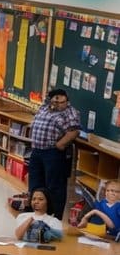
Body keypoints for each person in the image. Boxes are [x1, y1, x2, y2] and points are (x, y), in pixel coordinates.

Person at [28, 88, 81, 219]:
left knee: (54, 186)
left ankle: (54, 217)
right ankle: (36, 214)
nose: (58, 104)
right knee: (35, 185)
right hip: (37, 151)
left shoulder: (70, 112)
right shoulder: (45, 108)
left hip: (53, 153)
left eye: (61, 102)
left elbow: (74, 131)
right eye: (55, 101)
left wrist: (61, 144)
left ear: (66, 101)